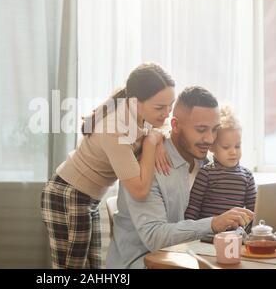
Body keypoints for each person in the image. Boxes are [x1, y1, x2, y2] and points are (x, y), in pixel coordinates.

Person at [41, 63, 175, 269]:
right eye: (160, 107)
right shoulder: (115, 128)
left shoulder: (141, 115)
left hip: (87, 198)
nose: (167, 113)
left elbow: (163, 127)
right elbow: (139, 190)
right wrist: (151, 143)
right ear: (136, 102)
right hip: (67, 195)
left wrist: (157, 136)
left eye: (170, 105)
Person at [106, 86, 254, 269]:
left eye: (214, 130)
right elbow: (155, 237)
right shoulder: (146, 167)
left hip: (185, 256)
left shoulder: (205, 165)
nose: (209, 139)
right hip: (142, 264)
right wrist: (215, 223)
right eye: (201, 130)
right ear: (175, 125)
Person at [184, 105, 256, 220]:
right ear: (212, 147)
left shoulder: (247, 176)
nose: (233, 152)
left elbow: (254, 212)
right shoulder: (206, 174)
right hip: (208, 235)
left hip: (236, 235)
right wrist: (188, 233)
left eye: (237, 146)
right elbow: (193, 208)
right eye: (226, 147)